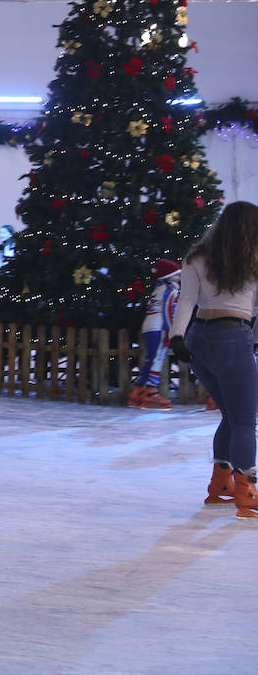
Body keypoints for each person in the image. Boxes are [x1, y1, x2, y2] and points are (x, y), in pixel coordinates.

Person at [168, 201, 258, 517]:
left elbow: (187, 300)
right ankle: (247, 491)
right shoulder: (254, 259)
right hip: (234, 337)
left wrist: (176, 338)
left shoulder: (197, 257)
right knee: (246, 419)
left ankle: (221, 486)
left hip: (198, 341)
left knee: (232, 416)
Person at [130, 258, 181, 410]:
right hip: (160, 327)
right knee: (158, 358)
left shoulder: (158, 289)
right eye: (176, 275)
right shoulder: (170, 290)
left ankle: (137, 392)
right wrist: (170, 331)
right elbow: (168, 311)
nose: (179, 277)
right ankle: (151, 393)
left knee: (151, 359)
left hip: (150, 326)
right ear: (168, 276)